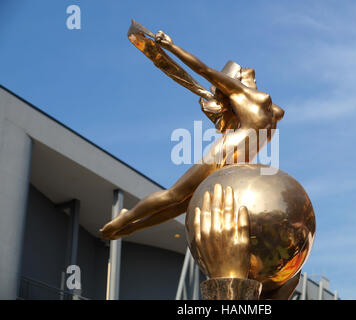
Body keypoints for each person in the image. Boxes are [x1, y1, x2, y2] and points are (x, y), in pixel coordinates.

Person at [100, 29, 284, 240]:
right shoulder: (242, 94)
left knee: (186, 205)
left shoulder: (265, 105)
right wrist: (171, 46)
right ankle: (128, 216)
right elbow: (203, 69)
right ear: (234, 80)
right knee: (176, 195)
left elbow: (276, 111)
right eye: (241, 70)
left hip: (239, 162)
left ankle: (134, 227)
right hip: (226, 152)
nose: (246, 68)